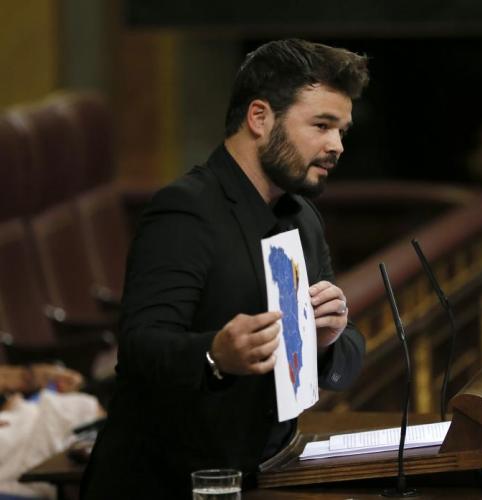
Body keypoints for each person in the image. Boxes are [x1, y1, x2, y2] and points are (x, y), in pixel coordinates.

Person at [80, 39, 369, 499]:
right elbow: (140, 349)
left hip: (266, 472)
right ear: (259, 118)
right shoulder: (185, 210)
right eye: (321, 125)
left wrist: (327, 342)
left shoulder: (303, 216)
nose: (336, 146)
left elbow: (349, 352)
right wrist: (215, 355)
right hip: (164, 485)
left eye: (342, 131)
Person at [0, 363, 102, 498]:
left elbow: (20, 376)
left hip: (22, 413)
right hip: (15, 430)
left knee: (81, 405)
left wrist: (53, 374)